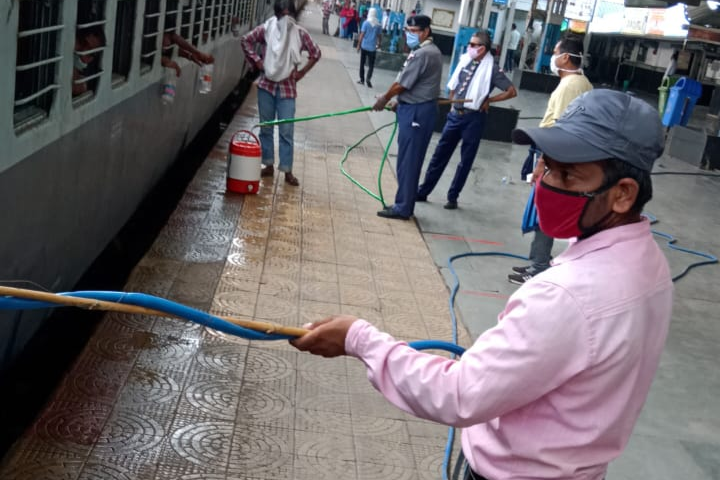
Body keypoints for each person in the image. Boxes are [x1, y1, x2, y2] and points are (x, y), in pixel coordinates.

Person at [291, 88, 672, 480]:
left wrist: (357, 339)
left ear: (623, 194)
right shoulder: (649, 265)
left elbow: (459, 394)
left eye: (567, 175)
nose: (542, 183)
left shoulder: (567, 295)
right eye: (546, 166)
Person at [509, 36, 593, 284]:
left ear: (566, 57)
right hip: (559, 156)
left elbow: (560, 130)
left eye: (556, 52)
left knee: (545, 210)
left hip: (557, 157)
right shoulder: (579, 83)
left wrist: (543, 163)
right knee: (543, 209)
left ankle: (539, 265)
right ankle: (537, 261)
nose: (553, 57)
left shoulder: (571, 86)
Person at [416, 31, 516, 210]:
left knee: (465, 160)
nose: (469, 47)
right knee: (439, 155)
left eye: (472, 44)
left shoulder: (491, 68)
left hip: (474, 118)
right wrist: (453, 105)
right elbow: (454, 85)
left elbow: (511, 91)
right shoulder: (465, 60)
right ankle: (423, 191)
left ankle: (452, 197)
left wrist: (489, 100)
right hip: (456, 115)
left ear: (482, 48)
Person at [240, 0, 321, 186]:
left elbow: (316, 53)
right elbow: (245, 40)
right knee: (266, 128)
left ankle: (287, 170)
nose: (286, 19)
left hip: (287, 89)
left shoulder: (300, 33)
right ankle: (267, 165)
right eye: (282, 15)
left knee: (286, 131)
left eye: (288, 14)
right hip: (266, 86)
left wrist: (301, 72)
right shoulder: (267, 29)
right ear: (277, 15)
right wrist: (258, 62)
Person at [371, 14, 442, 220]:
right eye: (408, 31)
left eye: (414, 32)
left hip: (417, 112)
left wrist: (385, 98)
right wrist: (398, 102)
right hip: (414, 108)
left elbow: (403, 84)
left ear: (426, 32)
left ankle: (403, 208)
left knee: (409, 162)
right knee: (406, 160)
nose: (410, 35)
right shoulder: (426, 51)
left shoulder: (423, 54)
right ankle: (403, 202)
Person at [72, 27, 105, 97]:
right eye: (82, 42)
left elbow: (77, 88)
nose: (84, 51)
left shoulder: (92, 76)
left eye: (91, 52)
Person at [357, 8, 383, 88]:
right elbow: (379, 36)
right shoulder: (378, 24)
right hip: (372, 48)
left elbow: (362, 34)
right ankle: (368, 78)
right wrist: (379, 44)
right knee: (371, 65)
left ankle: (362, 80)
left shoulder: (366, 23)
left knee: (362, 63)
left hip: (364, 46)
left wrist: (358, 45)